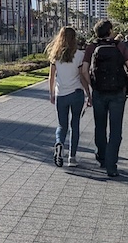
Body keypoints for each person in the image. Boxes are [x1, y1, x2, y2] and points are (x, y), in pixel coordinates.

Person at [80, 19, 128, 177]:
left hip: (99, 93)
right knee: (116, 130)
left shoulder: (92, 47)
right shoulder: (119, 46)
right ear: (110, 31)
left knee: (100, 127)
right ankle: (112, 166)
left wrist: (93, 86)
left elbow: (84, 71)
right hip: (118, 92)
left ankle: (102, 158)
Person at [47, 26, 91, 168]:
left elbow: (51, 76)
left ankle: (59, 143)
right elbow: (82, 76)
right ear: (74, 38)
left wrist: (52, 93)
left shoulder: (55, 55)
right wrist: (89, 93)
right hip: (76, 93)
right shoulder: (79, 55)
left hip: (61, 94)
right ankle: (72, 157)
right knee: (75, 124)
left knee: (62, 125)